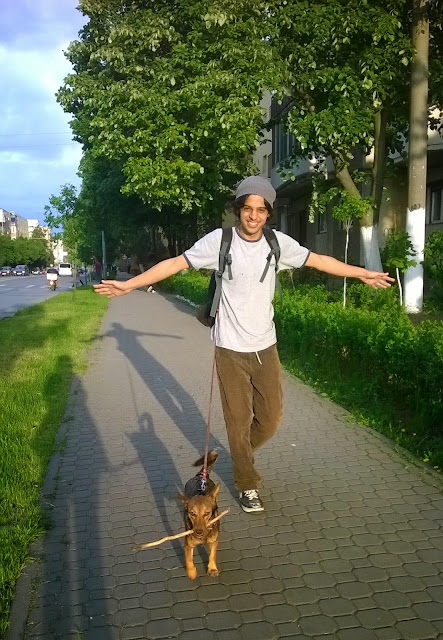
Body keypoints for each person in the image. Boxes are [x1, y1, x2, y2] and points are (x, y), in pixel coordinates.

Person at [94, 176, 394, 513]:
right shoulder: (219, 241)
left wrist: (362, 273)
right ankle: (247, 484)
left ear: (268, 213)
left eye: (260, 210)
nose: (253, 215)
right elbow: (176, 263)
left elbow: (319, 260)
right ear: (238, 210)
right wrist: (129, 285)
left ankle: (239, 454)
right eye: (247, 208)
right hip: (229, 348)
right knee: (237, 422)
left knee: (271, 419)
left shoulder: (277, 244)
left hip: (265, 346)